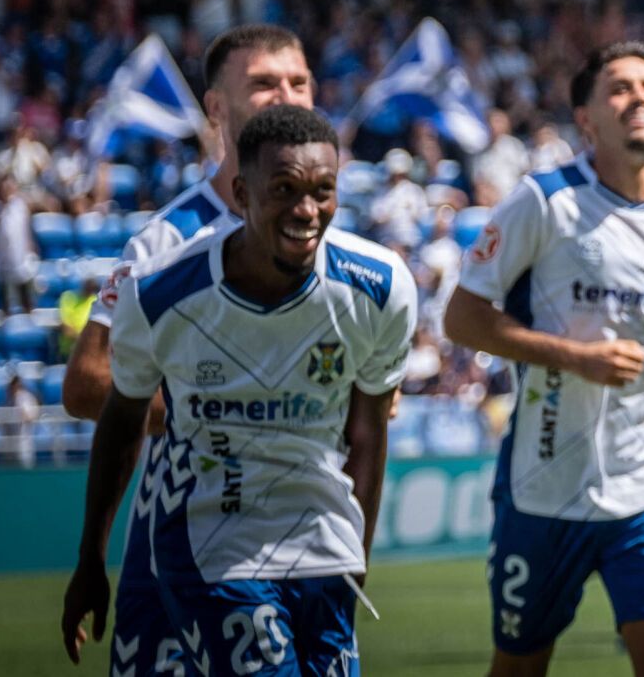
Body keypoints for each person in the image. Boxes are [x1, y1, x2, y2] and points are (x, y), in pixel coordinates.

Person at [60, 105, 416, 675]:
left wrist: (358, 558)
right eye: (285, 189)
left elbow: (368, 432)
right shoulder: (160, 294)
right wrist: (89, 560)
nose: (307, 210)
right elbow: (121, 422)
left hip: (323, 545)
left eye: (324, 191)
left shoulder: (381, 287)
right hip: (210, 543)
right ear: (242, 194)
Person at [442, 42, 644, 677]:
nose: (641, 99)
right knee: (519, 667)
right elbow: (461, 318)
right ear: (587, 117)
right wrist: (577, 358)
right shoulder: (543, 202)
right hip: (545, 490)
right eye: (620, 89)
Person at [60, 24, 314, 677]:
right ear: (216, 109)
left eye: (299, 81)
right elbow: (88, 380)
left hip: (305, 534)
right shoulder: (164, 242)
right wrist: (226, 407)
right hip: (185, 533)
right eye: (263, 82)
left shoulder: (331, 237)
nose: (286, 95)